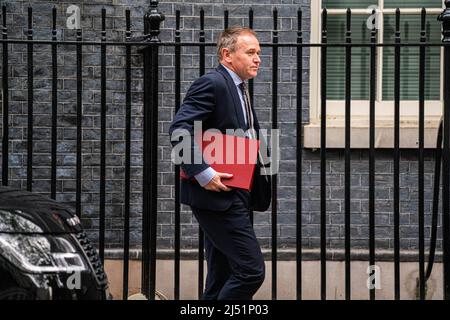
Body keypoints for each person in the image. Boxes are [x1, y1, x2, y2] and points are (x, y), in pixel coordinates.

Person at [169, 26, 271, 300]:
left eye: (258, 53)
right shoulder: (212, 83)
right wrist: (203, 172)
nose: (258, 58)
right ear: (227, 55)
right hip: (217, 194)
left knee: (222, 274)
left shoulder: (239, 87)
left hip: (238, 191)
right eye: (250, 52)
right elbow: (180, 130)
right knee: (251, 271)